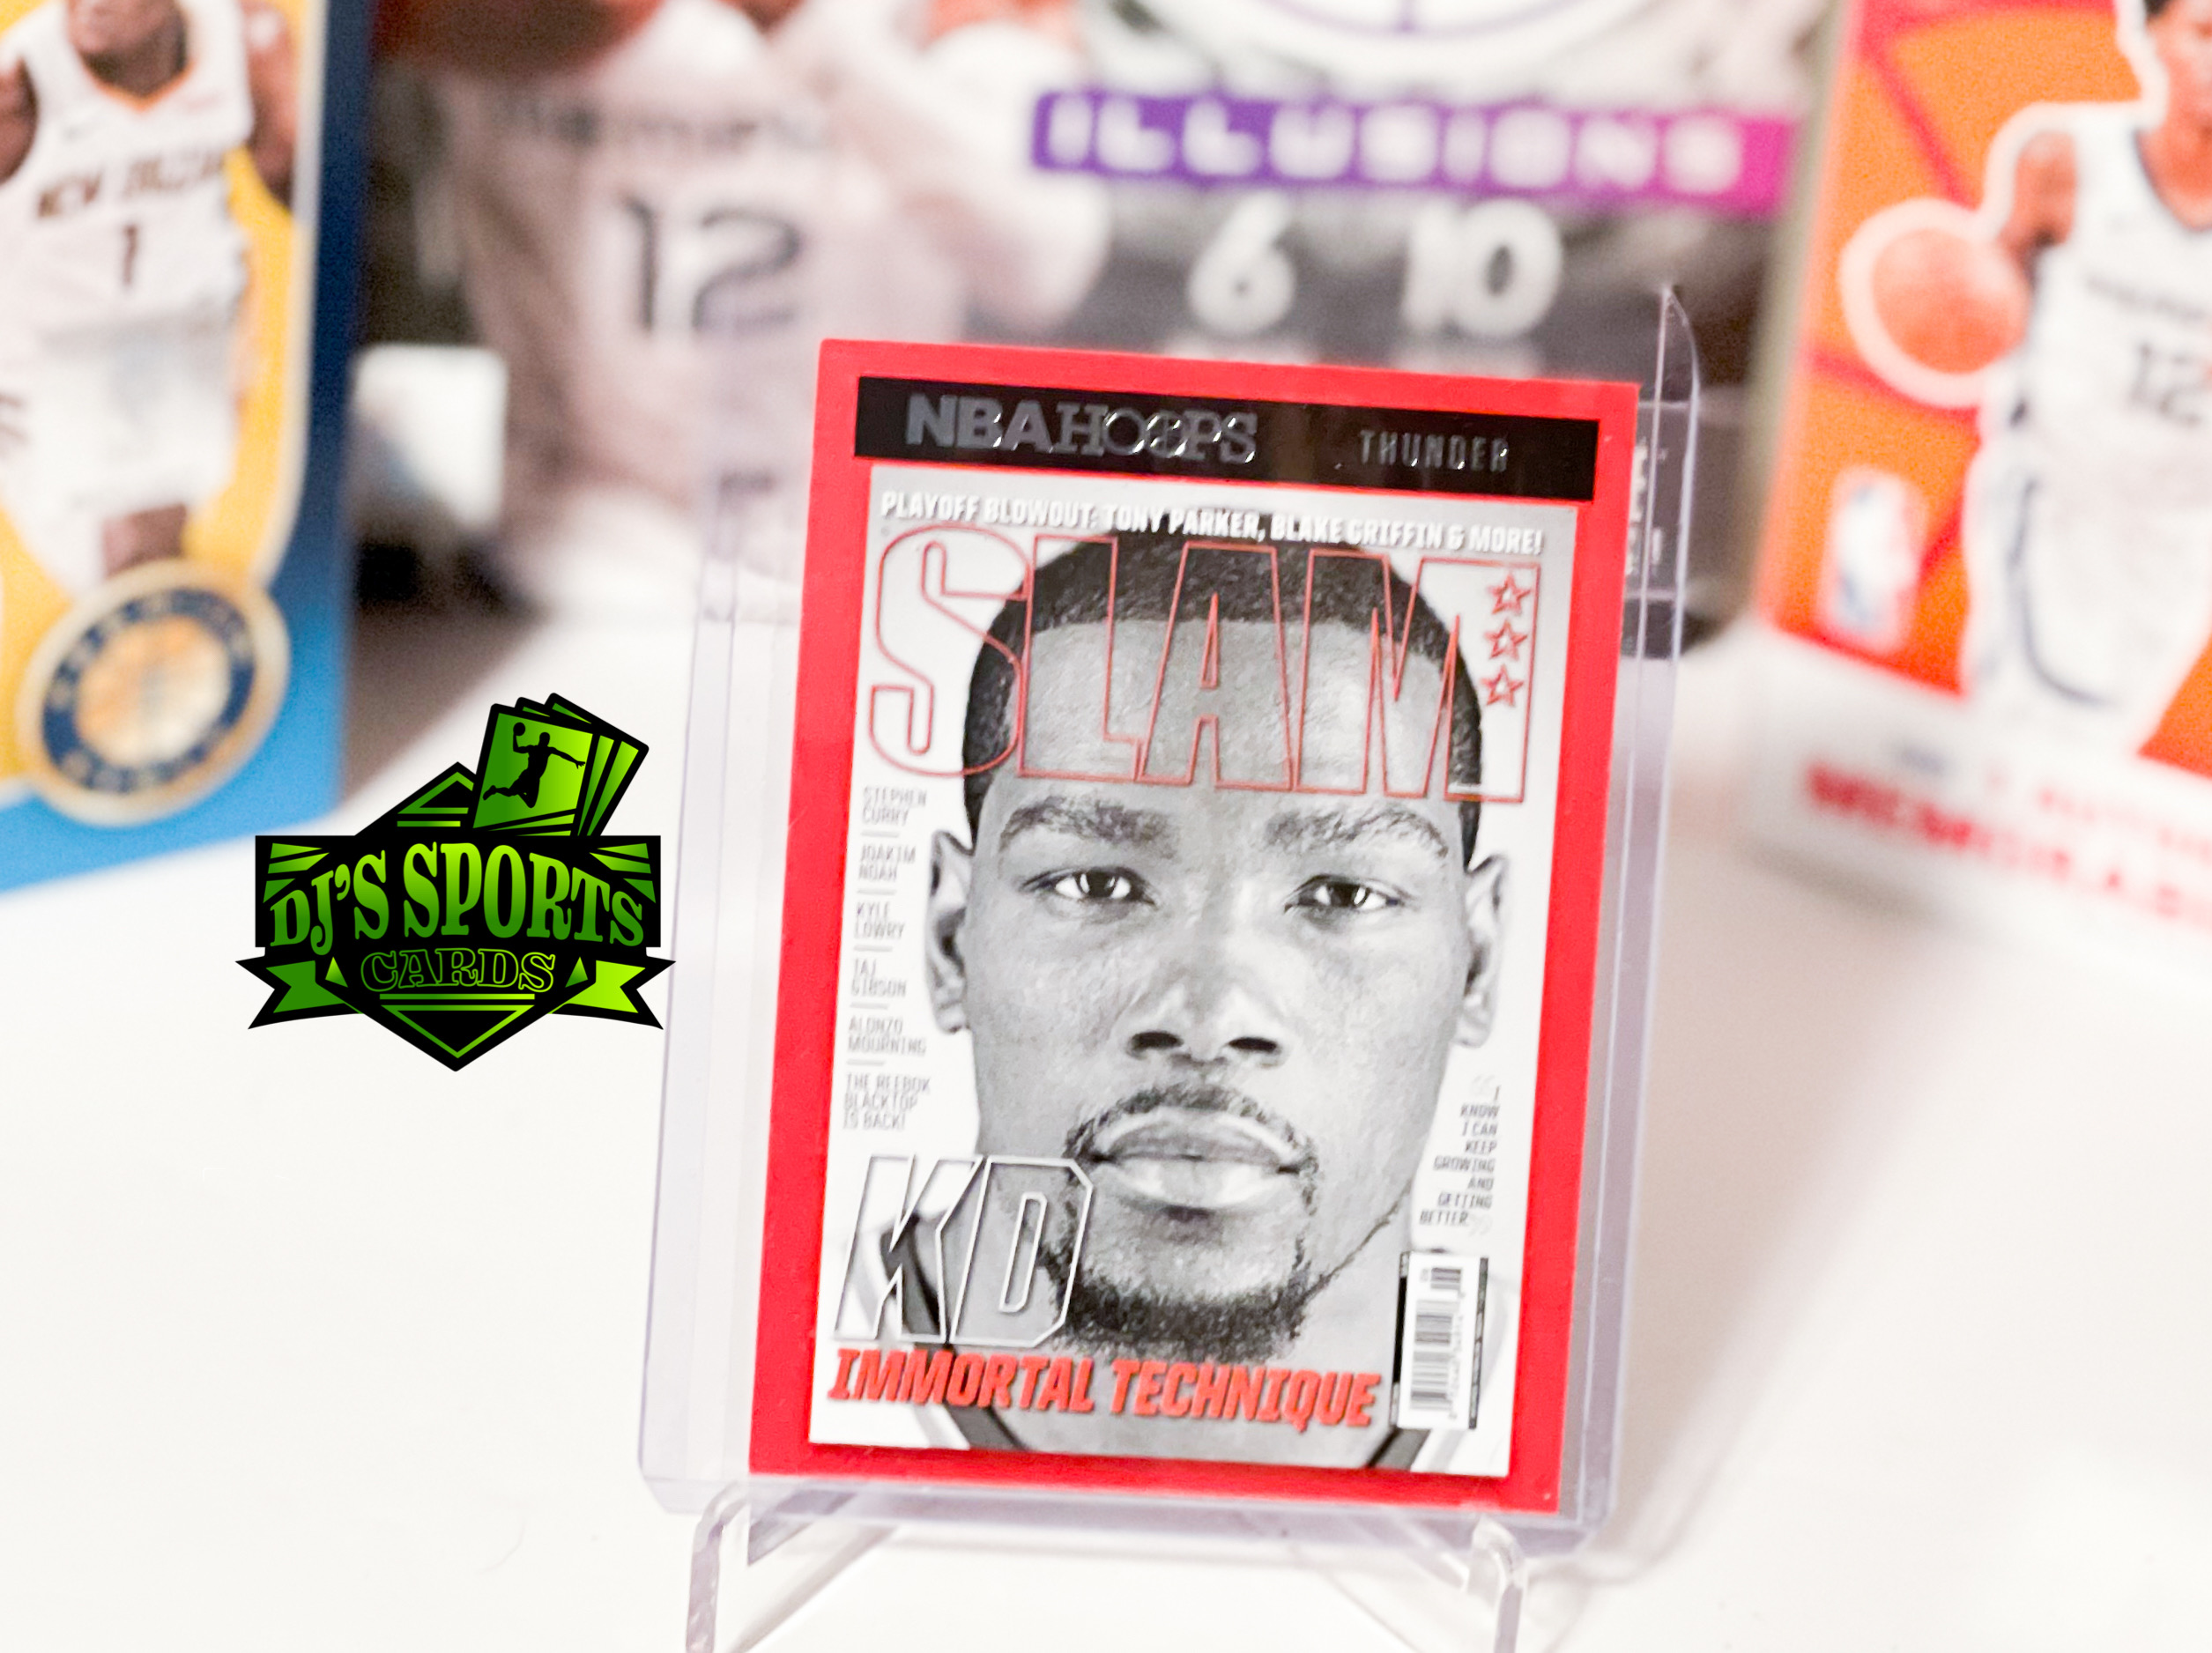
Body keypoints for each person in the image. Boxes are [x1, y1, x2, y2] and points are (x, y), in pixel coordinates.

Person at [840, 536, 1509, 1468]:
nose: (1208, 1018)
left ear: (1476, 962)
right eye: (1097, 885)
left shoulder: (1565, 1407)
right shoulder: (749, 1346)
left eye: (1343, 894)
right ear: (950, 940)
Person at [382, 0, 1109, 612]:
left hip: (849, 587)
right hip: (570, 570)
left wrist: (801, 24)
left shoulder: (953, 19)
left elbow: (1046, 260)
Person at [1842, 0, 2212, 750]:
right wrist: (1940, 297)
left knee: (2106, 747)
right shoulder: (2064, 160)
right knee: (2026, 723)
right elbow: (1987, 309)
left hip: (2181, 543)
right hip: (2059, 502)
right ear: (2153, 33)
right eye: (2204, 30)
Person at [0, 0, 296, 595]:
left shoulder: (245, 39)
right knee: (104, 602)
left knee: (180, 599)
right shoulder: (19, 84)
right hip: (48, 382)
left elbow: (313, 195)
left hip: (190, 354)